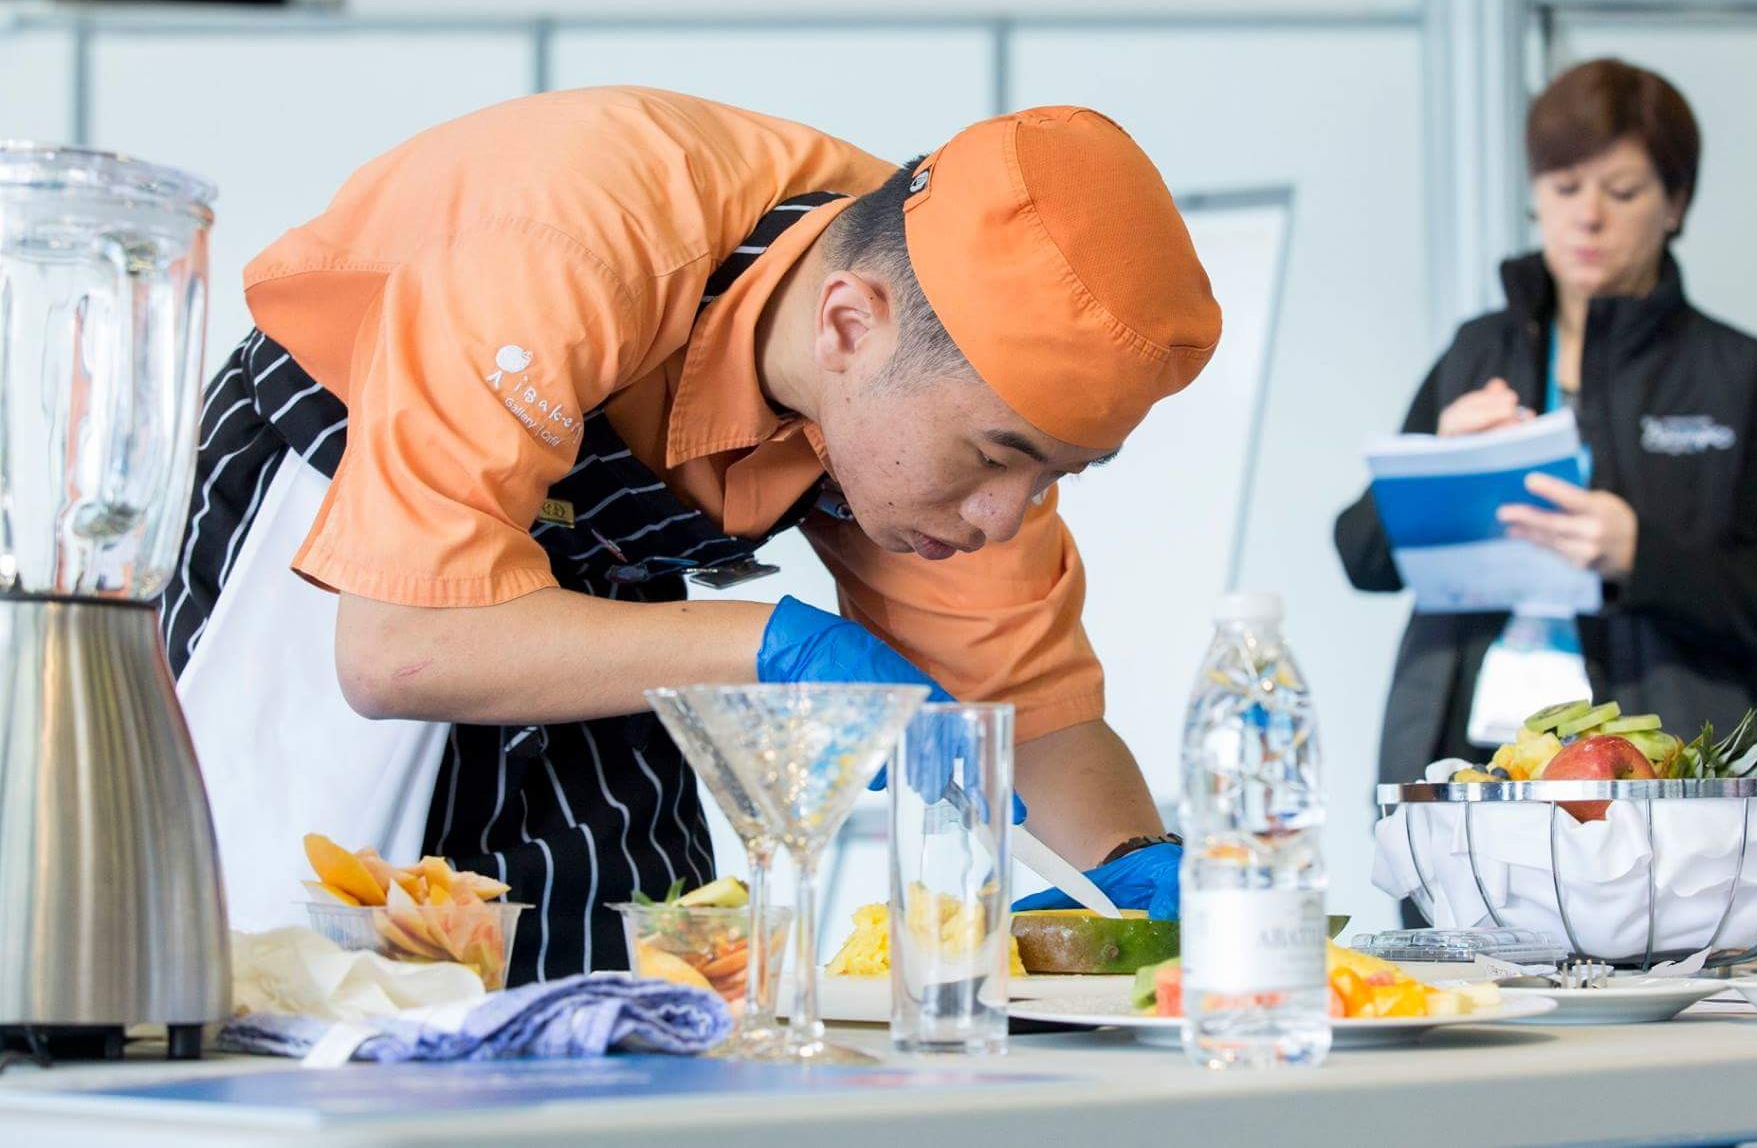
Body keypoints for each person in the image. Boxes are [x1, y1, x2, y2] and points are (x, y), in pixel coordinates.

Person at [163, 90, 1216, 982]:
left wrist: (1142, 883)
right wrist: (761, 650)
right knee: (292, 979)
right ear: (849, 325)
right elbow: (398, 647)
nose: (1004, 517)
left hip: (604, 590)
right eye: (992, 459)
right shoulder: (569, 229)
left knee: (642, 974)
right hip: (341, 515)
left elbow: (1026, 723)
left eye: (1055, 473)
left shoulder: (952, 392)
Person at [1335, 58, 1757, 783]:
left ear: (1676, 202)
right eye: (1564, 188)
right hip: (1472, 760)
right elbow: (1361, 556)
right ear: (1536, 196)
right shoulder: (1476, 352)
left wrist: (1640, 556)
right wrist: (1434, 461)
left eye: (1622, 191)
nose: (1587, 215)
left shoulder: (1751, 377)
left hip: (1661, 771)